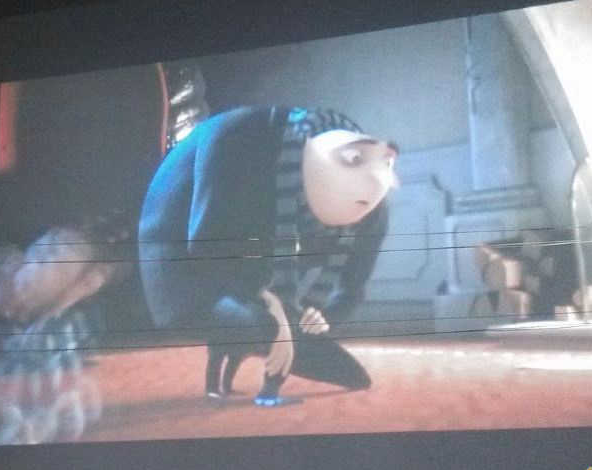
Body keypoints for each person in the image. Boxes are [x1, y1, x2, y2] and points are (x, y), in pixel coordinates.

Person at [137, 106, 399, 406]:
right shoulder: (239, 136)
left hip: (253, 268)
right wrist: (273, 310)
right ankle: (259, 382)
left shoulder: (372, 204)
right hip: (181, 264)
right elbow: (206, 246)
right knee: (266, 329)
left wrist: (321, 317)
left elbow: (352, 291)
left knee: (350, 374)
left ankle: (247, 339)